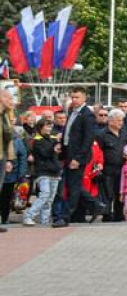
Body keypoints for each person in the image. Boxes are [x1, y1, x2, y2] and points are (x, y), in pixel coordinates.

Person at [60, 87, 95, 226]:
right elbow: (69, 133)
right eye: (72, 97)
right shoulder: (72, 112)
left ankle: (65, 217)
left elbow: (88, 139)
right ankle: (96, 205)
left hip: (77, 156)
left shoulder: (87, 114)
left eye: (77, 97)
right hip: (68, 153)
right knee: (74, 185)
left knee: (73, 187)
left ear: (84, 98)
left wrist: (78, 158)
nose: (74, 100)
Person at [24, 119, 62, 227]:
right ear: (40, 127)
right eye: (47, 126)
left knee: (50, 199)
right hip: (42, 172)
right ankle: (29, 216)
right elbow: (44, 153)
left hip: (55, 171)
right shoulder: (36, 140)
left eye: (50, 126)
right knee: (44, 194)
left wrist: (59, 143)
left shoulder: (54, 139)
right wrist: (54, 147)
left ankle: (44, 220)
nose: (49, 128)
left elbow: (60, 151)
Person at [0, 85, 17, 233]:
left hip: (2, 157)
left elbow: (9, 139)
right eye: (10, 98)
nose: (12, 101)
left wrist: (10, 159)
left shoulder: (6, 115)